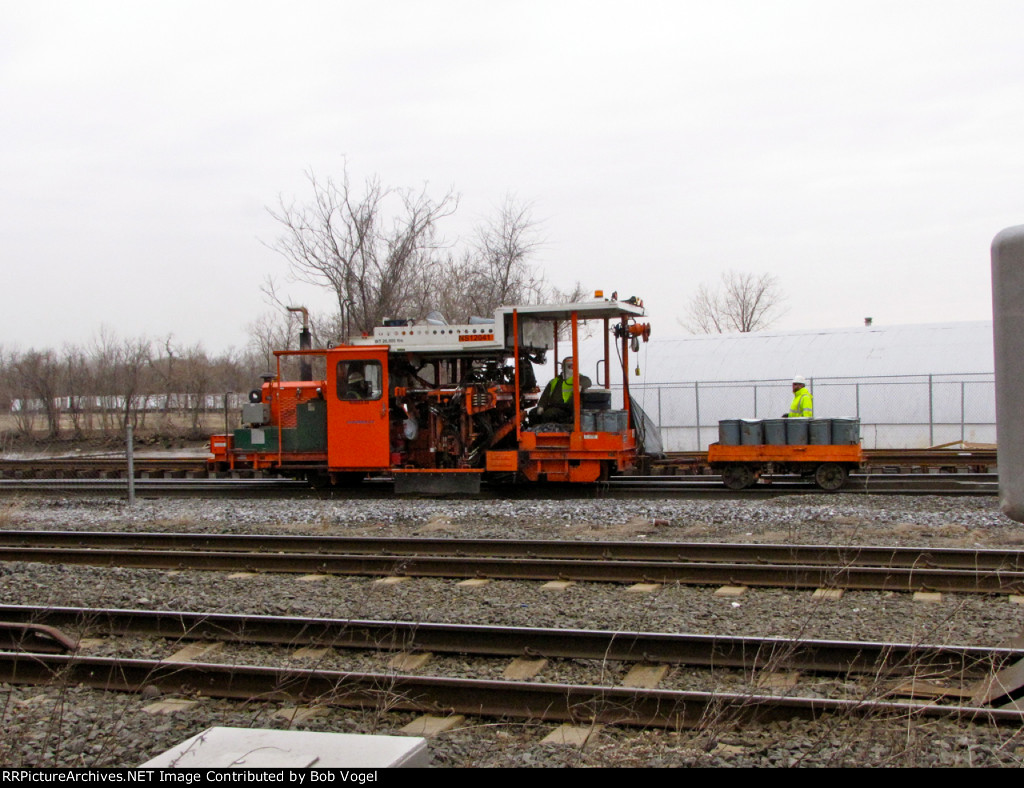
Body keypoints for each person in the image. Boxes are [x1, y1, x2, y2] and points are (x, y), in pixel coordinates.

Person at [531, 356, 591, 424]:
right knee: (533, 413)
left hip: (569, 409)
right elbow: (545, 395)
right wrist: (541, 406)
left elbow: (588, 381)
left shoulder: (579, 378)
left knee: (549, 414)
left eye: (573, 366)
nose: (571, 368)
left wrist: (580, 385)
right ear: (563, 367)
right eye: (569, 366)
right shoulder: (555, 381)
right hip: (554, 406)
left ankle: (548, 431)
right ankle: (533, 431)